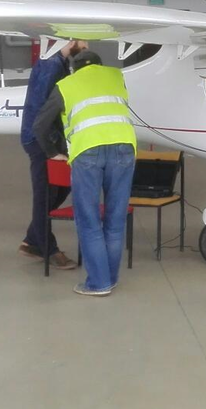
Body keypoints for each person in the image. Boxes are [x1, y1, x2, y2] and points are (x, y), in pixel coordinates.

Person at [34, 49, 137, 296]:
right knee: (115, 220)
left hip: (87, 151)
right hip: (124, 148)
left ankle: (99, 283)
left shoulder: (65, 85)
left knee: (89, 220)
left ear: (74, 69)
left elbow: (40, 125)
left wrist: (52, 152)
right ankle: (110, 279)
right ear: (100, 65)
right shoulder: (116, 76)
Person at [18, 38, 86, 270]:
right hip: (41, 141)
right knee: (45, 196)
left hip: (49, 140)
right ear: (72, 41)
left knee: (61, 189)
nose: (87, 47)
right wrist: (51, 150)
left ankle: (32, 240)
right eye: (84, 42)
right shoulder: (52, 66)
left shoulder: (60, 64)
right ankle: (49, 249)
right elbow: (41, 112)